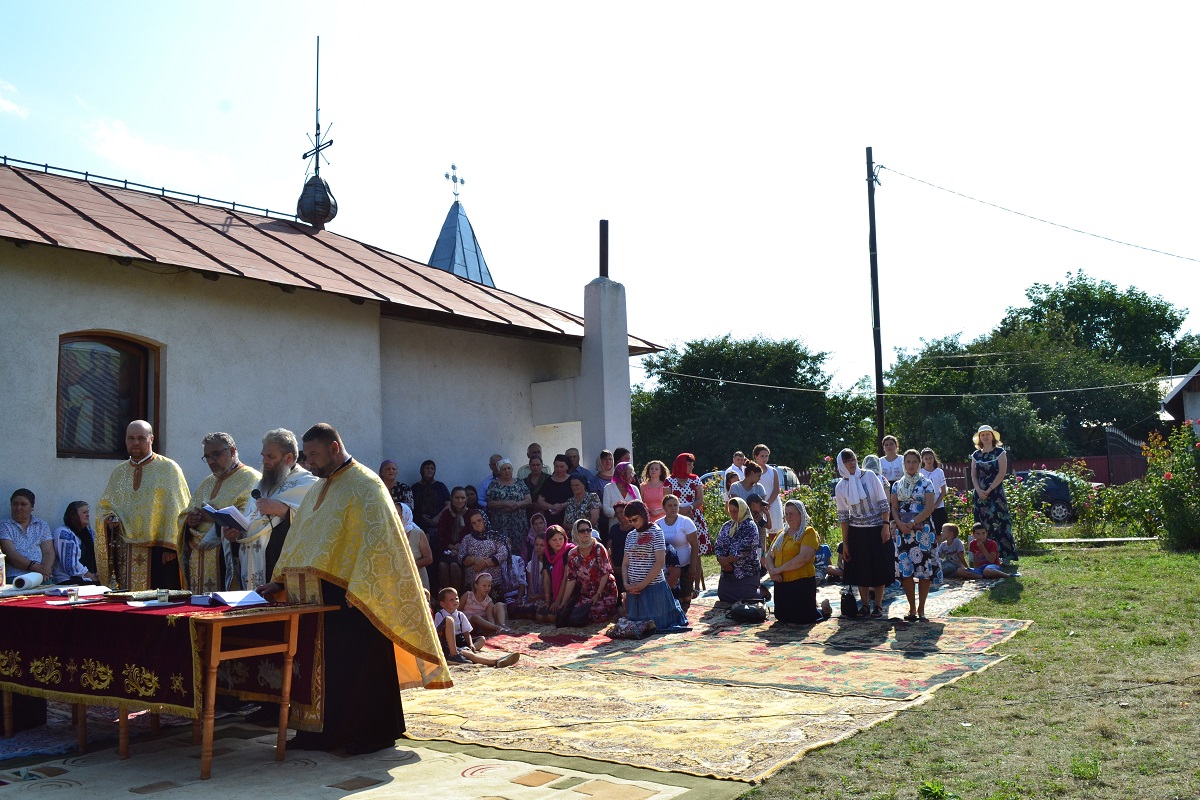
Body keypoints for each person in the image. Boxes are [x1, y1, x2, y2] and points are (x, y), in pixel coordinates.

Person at [258, 423, 450, 754]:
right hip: (316, 597)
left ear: (334, 448)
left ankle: (368, 735)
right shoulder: (319, 489)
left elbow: (379, 544)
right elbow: (300, 539)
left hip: (356, 597)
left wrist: (358, 585)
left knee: (357, 668)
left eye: (315, 455)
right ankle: (318, 732)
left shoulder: (366, 486)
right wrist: (279, 579)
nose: (311, 463)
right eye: (308, 456)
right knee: (323, 669)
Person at [95, 420, 191, 590]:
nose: (136, 442)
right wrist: (109, 519)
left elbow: (178, 507)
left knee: (158, 603)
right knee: (127, 601)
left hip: (160, 551)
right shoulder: (119, 472)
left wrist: (171, 546)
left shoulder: (168, 468)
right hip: (126, 551)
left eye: (141, 438)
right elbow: (105, 505)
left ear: (151, 439)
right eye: (131, 438)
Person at [227, 428, 318, 593]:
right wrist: (235, 535)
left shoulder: (309, 484)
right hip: (253, 565)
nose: (265, 461)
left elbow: (315, 525)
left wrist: (284, 510)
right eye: (263, 456)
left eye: (271, 457)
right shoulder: (260, 485)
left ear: (289, 458)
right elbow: (250, 523)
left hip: (280, 572)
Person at [183, 432, 261, 594]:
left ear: (232, 451)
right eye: (207, 457)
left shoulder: (251, 479)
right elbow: (187, 512)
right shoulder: (208, 481)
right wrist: (190, 520)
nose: (211, 461)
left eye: (216, 455)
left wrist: (213, 518)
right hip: (199, 561)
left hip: (226, 559)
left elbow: (248, 521)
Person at [835, 448, 893, 619]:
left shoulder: (869, 476)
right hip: (857, 532)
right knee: (861, 570)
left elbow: (883, 503)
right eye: (847, 461)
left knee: (878, 567)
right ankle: (865, 605)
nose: (851, 463)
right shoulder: (841, 486)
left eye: (852, 459)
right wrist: (845, 543)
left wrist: (885, 525)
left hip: (876, 528)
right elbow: (844, 517)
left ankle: (879, 606)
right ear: (841, 464)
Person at [889, 449, 940, 622]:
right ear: (903, 464)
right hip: (903, 533)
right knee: (906, 570)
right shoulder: (897, 485)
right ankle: (911, 608)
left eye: (914, 462)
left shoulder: (926, 483)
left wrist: (913, 523)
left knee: (924, 570)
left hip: (923, 532)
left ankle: (921, 609)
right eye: (908, 462)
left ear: (919, 464)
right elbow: (894, 508)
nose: (911, 465)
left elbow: (929, 507)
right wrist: (901, 524)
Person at [622, 501, 689, 631]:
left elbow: (660, 562)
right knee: (636, 625)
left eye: (635, 519)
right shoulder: (630, 535)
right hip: (633, 589)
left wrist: (642, 584)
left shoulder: (656, 531)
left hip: (653, 587)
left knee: (655, 624)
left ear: (643, 514)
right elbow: (625, 562)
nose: (632, 523)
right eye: (629, 521)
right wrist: (626, 583)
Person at [765, 499, 833, 624]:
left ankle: (824, 609)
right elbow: (769, 556)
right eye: (786, 514)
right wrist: (773, 572)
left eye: (792, 513)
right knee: (782, 617)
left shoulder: (809, 532)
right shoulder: (781, 534)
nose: (788, 517)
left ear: (800, 514)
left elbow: (803, 558)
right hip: (782, 582)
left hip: (801, 582)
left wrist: (778, 569)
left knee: (804, 618)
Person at [434, 587, 519, 667]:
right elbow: (438, 633)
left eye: (456, 598)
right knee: (470, 654)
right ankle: (495, 661)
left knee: (481, 639)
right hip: (447, 642)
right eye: (451, 600)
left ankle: (465, 652)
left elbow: (466, 632)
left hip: (460, 640)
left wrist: (470, 644)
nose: (455, 601)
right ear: (442, 604)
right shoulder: (439, 615)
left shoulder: (460, 615)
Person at [970, 425, 1017, 564]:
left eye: (987, 434)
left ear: (992, 436)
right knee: (983, 524)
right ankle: (982, 556)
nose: (985, 437)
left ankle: (1005, 556)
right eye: (982, 435)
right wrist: (978, 490)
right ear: (979, 438)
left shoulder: (1000, 452)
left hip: (996, 493)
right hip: (980, 493)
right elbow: (973, 475)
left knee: (1001, 522)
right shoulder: (976, 455)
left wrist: (989, 489)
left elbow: (1002, 473)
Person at [560, 518, 619, 624]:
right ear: (576, 533)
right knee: (570, 615)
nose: (586, 533)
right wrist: (564, 602)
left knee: (595, 615)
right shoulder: (572, 554)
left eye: (588, 530)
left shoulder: (598, 548)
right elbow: (571, 579)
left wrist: (598, 593)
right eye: (582, 531)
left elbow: (605, 573)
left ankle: (613, 611)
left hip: (605, 591)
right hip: (586, 594)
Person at [713, 497, 762, 603]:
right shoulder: (727, 526)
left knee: (745, 599)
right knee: (724, 597)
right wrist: (722, 560)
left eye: (735, 511)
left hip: (745, 570)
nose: (733, 514)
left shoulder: (750, 526)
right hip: (727, 570)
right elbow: (718, 545)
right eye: (731, 511)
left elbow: (747, 548)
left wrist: (728, 560)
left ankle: (760, 591)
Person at [1, 489, 56, 582]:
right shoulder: (4, 525)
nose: (18, 508)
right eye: (15, 504)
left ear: (32, 507)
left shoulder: (42, 525)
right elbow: (10, 553)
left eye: (23, 504)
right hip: (15, 576)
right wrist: (36, 567)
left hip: (40, 576)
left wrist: (45, 570)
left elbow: (48, 552)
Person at [658, 493, 700, 611]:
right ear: (664, 508)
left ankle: (690, 593)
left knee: (685, 600)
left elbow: (695, 546)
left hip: (684, 565)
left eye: (675, 505)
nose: (673, 508)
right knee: (673, 599)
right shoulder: (658, 524)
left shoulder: (686, 522)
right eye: (670, 505)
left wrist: (693, 567)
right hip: (667, 568)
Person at [485, 459, 532, 560]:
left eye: (509, 468)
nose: (507, 471)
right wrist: (504, 503)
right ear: (499, 471)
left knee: (521, 551)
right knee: (503, 550)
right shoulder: (494, 484)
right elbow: (489, 503)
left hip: (519, 525)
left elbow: (529, 500)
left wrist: (517, 504)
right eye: (504, 469)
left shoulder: (520, 482)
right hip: (501, 525)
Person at [665, 453, 710, 555]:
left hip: (694, 515)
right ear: (681, 465)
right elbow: (666, 500)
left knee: (696, 551)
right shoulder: (669, 481)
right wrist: (679, 512)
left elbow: (700, 499)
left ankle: (697, 570)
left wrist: (689, 508)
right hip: (675, 517)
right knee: (678, 549)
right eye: (689, 464)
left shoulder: (695, 479)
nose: (692, 467)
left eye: (692, 464)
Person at [457, 509, 509, 590]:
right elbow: (460, 557)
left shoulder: (495, 536)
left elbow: (503, 553)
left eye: (479, 520)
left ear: (485, 519)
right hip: (473, 583)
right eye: (473, 523)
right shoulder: (467, 538)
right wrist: (474, 560)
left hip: (493, 583)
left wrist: (484, 564)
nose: (477, 524)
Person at [537, 525, 576, 623]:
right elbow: (546, 578)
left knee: (552, 618)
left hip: (570, 592)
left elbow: (565, 578)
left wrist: (558, 601)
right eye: (554, 540)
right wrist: (547, 601)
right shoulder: (548, 555)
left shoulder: (569, 552)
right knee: (539, 617)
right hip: (554, 595)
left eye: (560, 538)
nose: (558, 542)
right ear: (548, 542)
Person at [435, 487, 470, 591]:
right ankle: (446, 596)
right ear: (451, 498)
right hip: (447, 548)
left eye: (463, 498)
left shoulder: (470, 514)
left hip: (464, 549)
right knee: (442, 565)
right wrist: (451, 546)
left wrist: (459, 547)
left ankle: (457, 595)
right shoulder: (446, 514)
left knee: (454, 565)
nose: (460, 501)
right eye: (457, 498)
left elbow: (471, 534)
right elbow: (441, 534)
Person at [53, 501, 97, 584]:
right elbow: (70, 566)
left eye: (88, 512)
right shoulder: (63, 533)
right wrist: (91, 576)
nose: (88, 515)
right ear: (73, 515)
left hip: (86, 579)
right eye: (84, 512)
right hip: (68, 581)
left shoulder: (89, 533)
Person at [751, 444, 783, 540]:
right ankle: (762, 554)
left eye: (766, 456)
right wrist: (759, 505)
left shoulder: (773, 471)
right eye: (762, 456)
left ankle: (774, 553)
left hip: (772, 504)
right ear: (756, 456)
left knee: (774, 531)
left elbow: (776, 489)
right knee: (758, 531)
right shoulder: (750, 471)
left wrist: (767, 503)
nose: (765, 458)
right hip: (756, 505)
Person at [411, 460, 451, 538]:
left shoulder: (440, 486)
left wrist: (437, 518)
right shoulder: (415, 488)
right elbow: (412, 507)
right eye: (427, 468)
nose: (430, 470)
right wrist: (423, 518)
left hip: (440, 524)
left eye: (432, 468)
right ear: (422, 470)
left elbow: (448, 504)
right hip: (420, 526)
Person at [400, 503, 433, 590]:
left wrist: (408, 566)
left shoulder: (417, 533)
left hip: (417, 578)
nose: (396, 516)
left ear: (406, 514)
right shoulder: (389, 534)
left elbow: (428, 559)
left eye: (399, 514)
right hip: (397, 579)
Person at [537, 455, 574, 527]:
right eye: (556, 466)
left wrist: (562, 506)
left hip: (568, 517)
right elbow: (540, 500)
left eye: (561, 467)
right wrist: (551, 506)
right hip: (551, 518)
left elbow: (577, 497)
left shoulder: (572, 480)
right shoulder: (548, 481)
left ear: (567, 467)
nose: (559, 469)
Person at [920, 448, 949, 534]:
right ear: (922, 460)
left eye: (930, 458)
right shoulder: (920, 473)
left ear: (934, 458)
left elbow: (943, 490)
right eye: (926, 459)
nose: (929, 461)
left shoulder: (939, 472)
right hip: (924, 507)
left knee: (940, 532)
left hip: (938, 506)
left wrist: (936, 505)